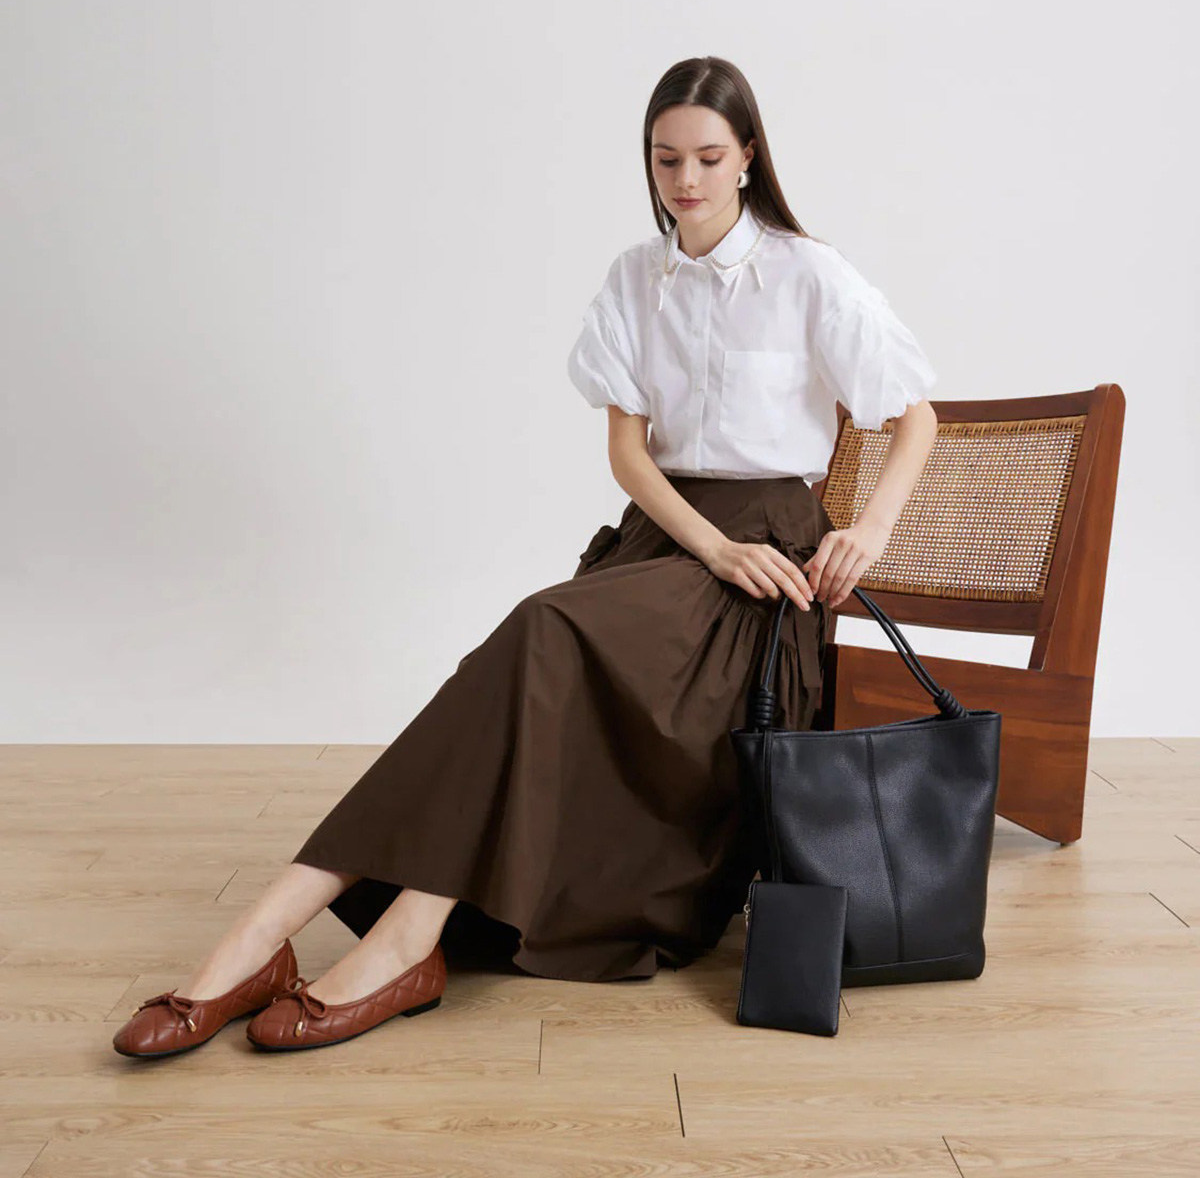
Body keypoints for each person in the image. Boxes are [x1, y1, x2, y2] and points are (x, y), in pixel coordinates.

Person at [112, 55, 940, 1058]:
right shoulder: (635, 278)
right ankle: (310, 935)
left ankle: (307, 936)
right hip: (671, 545)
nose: (685, 180)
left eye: (708, 157)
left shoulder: (810, 274)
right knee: (535, 655)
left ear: (748, 157)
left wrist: (867, 530)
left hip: (762, 584)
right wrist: (710, 546)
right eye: (666, 158)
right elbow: (629, 455)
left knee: (543, 628)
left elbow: (915, 416)